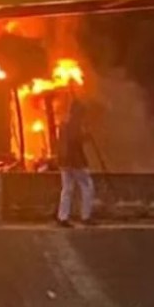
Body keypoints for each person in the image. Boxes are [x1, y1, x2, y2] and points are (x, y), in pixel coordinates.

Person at [56, 97, 95, 227]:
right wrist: (86, 136)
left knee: (67, 189)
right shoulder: (74, 124)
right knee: (87, 186)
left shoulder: (63, 123)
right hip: (76, 161)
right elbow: (74, 140)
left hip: (64, 162)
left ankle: (63, 217)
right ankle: (86, 216)